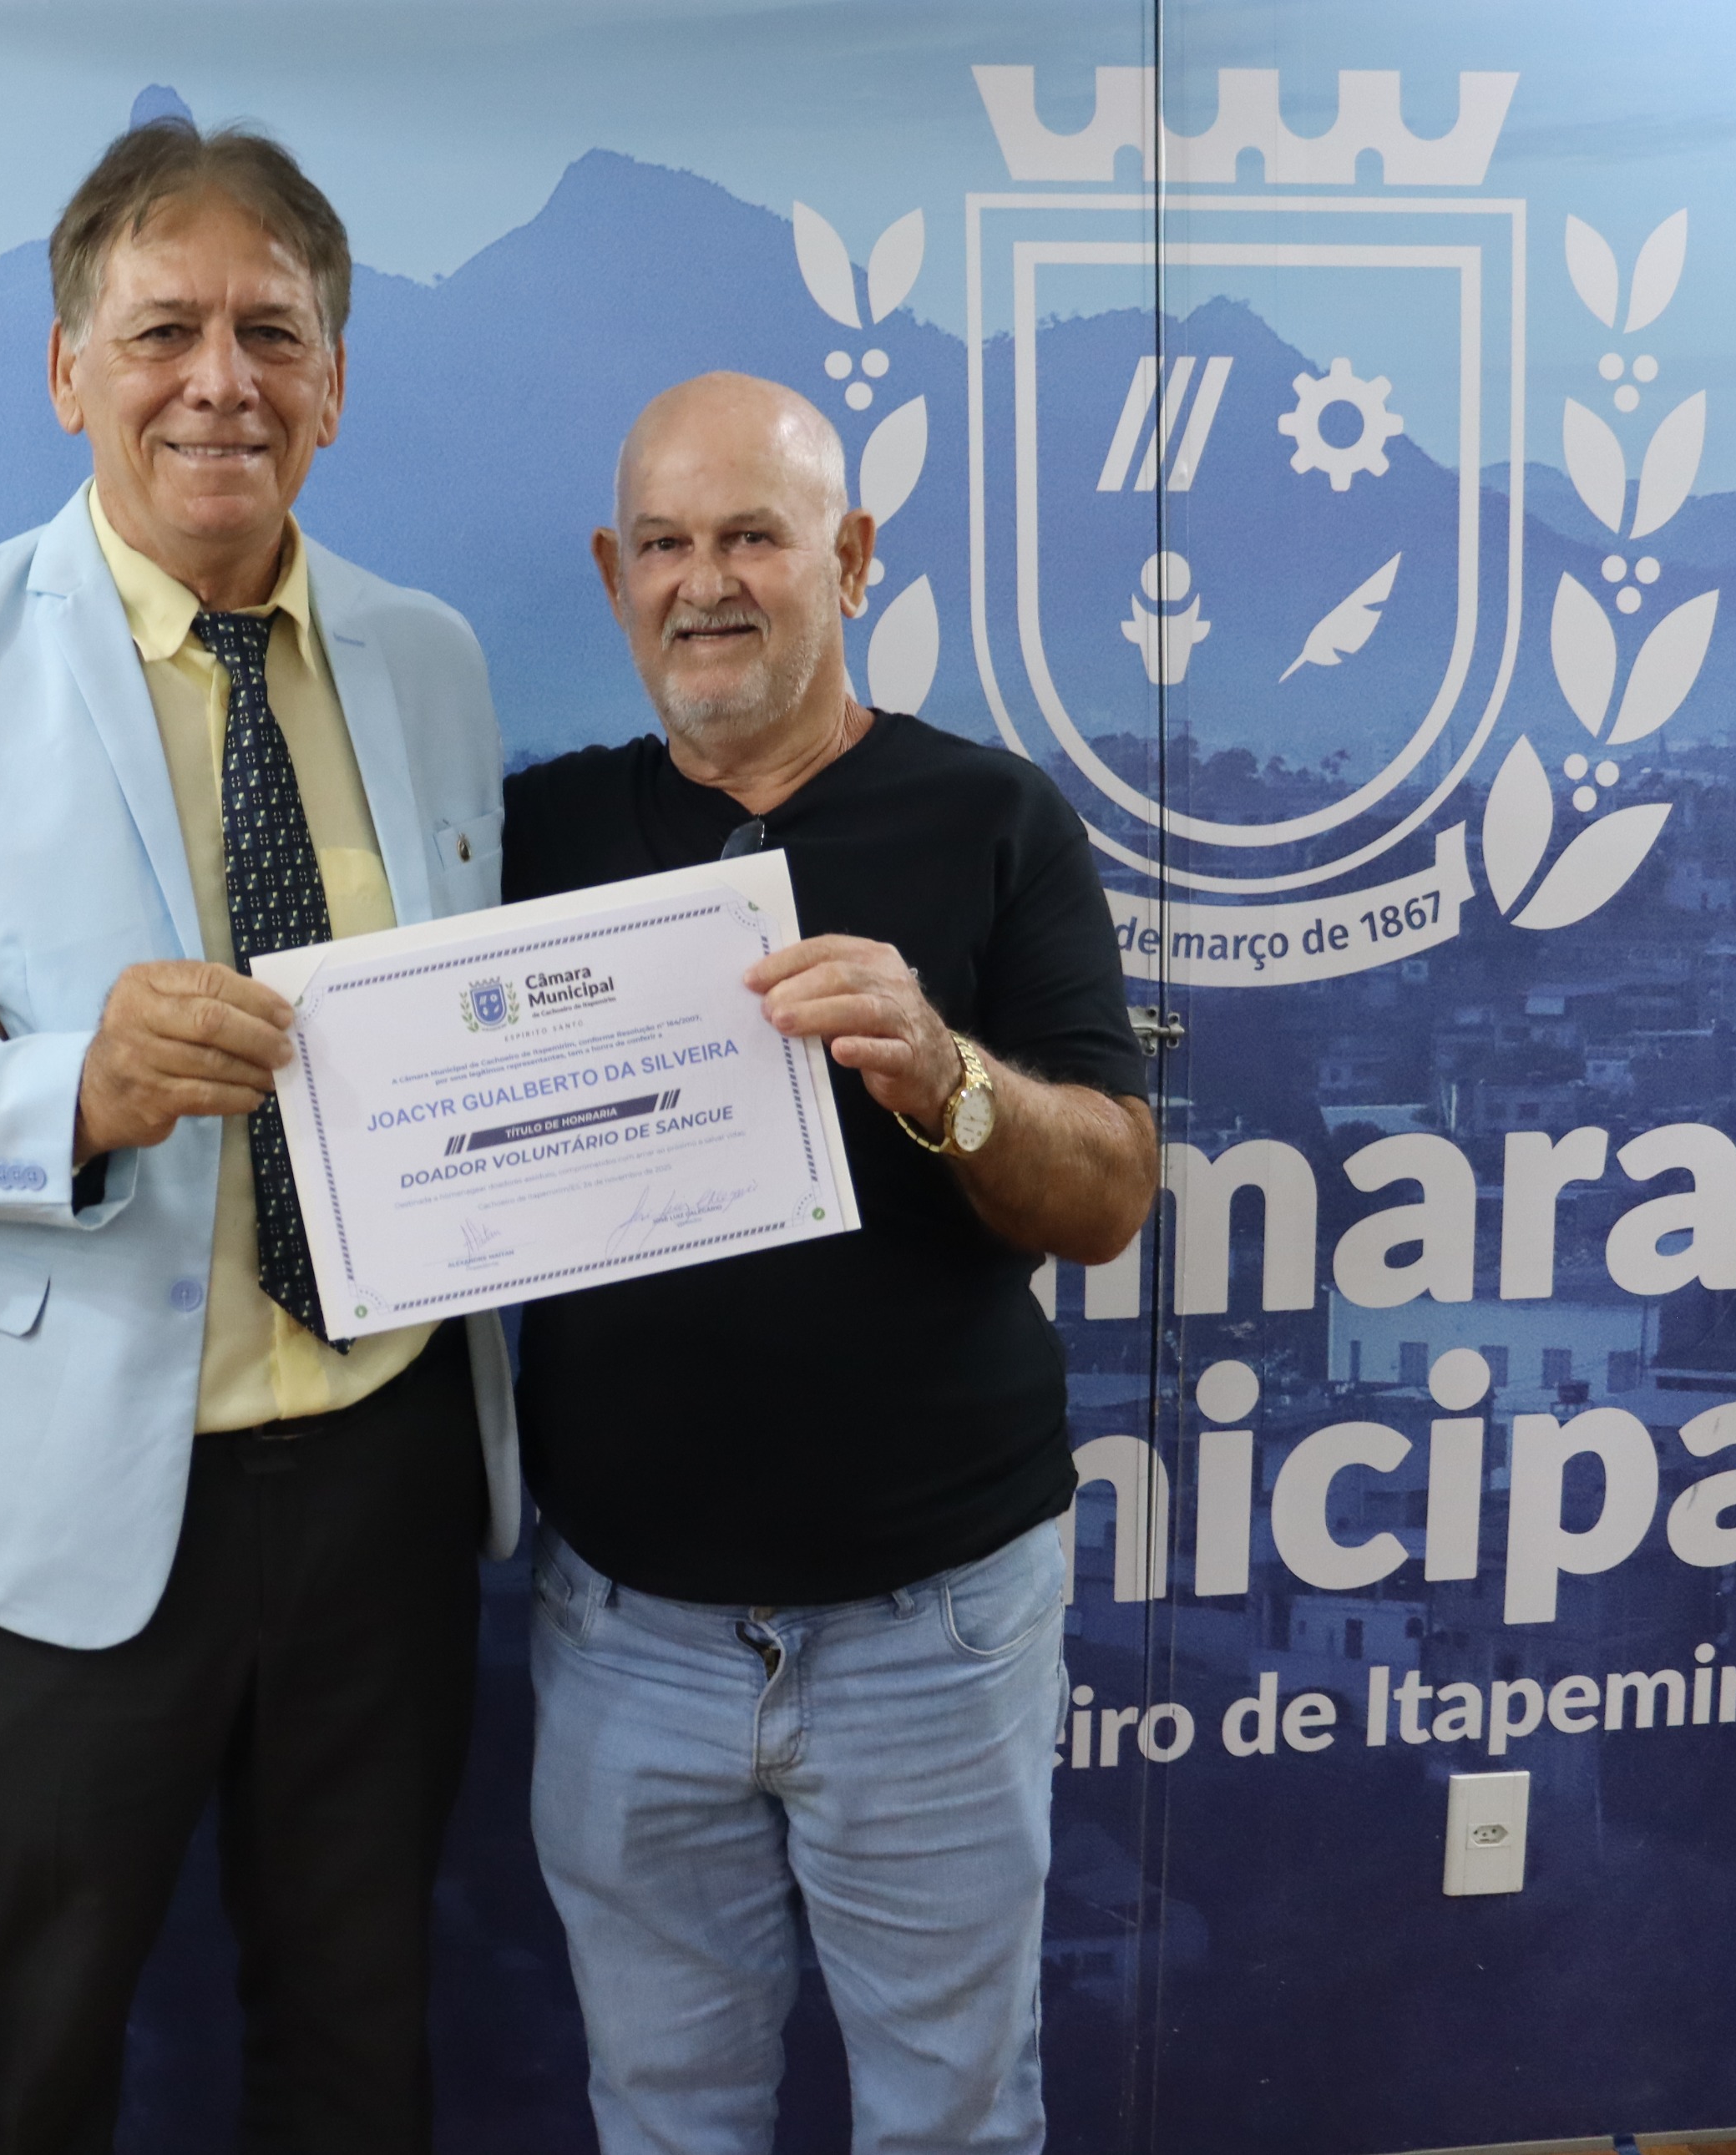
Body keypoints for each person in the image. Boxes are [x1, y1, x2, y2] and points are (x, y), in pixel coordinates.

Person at [0, 119, 514, 2153]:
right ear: (66, 369)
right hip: (45, 1490)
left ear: (334, 381)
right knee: (26, 2057)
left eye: (272, 331)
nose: (219, 380)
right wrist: (69, 1091)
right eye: (164, 329)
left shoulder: (433, 659)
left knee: (356, 2043)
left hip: (383, 1458)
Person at [500, 372, 1158, 2155]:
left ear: (852, 558)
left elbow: (1111, 1194)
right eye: (663, 544)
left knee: (954, 2121)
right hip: (624, 1628)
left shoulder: (996, 818)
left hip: (932, 1625)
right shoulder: (532, 838)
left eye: (754, 537)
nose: (704, 582)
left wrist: (946, 1074)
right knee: (665, 2118)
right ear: (612, 574)